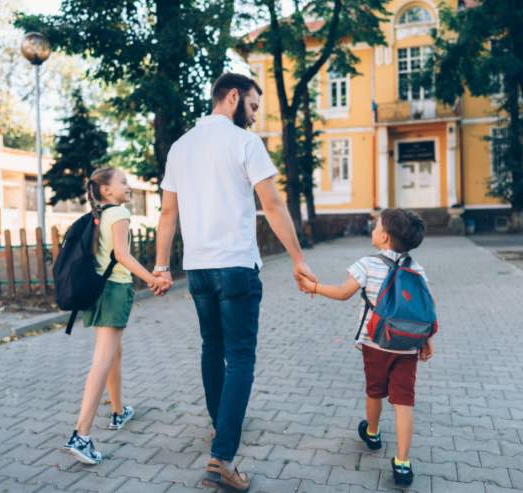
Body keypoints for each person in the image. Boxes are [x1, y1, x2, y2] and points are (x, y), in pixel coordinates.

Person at [152, 73, 315, 492]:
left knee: (213, 346)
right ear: (233, 96)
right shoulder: (244, 143)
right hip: (237, 267)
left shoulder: (180, 146)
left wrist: (161, 266)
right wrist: (298, 259)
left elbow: (167, 214)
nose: (255, 117)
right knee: (240, 357)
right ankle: (221, 458)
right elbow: (273, 205)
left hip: (199, 270)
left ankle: (220, 424)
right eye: (254, 107)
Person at [298, 208, 434, 487]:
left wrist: (314, 287)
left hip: (376, 343)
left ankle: (372, 433)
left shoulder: (367, 265)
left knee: (375, 391)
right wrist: (426, 339)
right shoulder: (416, 268)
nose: (372, 230)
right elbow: (425, 307)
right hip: (408, 345)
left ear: (383, 237)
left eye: (375, 227)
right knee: (404, 401)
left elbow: (343, 293)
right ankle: (403, 463)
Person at [63, 167, 172, 465]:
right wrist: (152, 278)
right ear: (106, 190)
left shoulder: (101, 215)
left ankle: (118, 410)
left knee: (114, 353)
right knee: (102, 360)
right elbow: (123, 256)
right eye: (122, 181)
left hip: (99, 290)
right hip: (115, 291)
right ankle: (81, 434)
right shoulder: (120, 214)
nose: (128, 185)